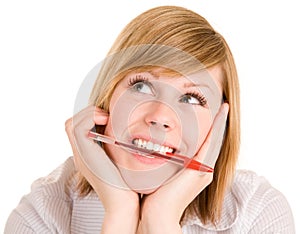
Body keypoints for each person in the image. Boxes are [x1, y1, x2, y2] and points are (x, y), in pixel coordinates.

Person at [5, 5, 295, 233]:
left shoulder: (259, 213)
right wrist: (119, 214)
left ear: (221, 125)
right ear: (107, 95)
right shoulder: (41, 215)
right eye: (141, 86)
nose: (159, 117)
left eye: (191, 98)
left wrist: (161, 221)